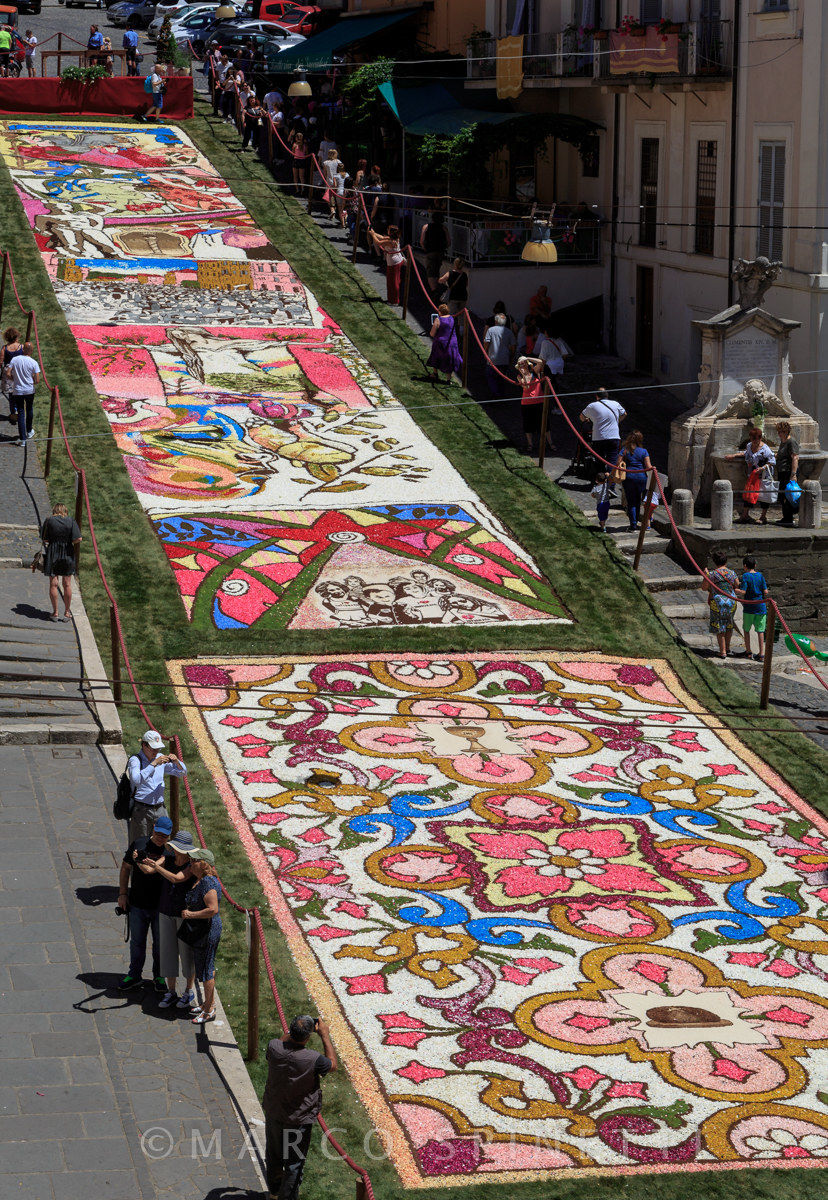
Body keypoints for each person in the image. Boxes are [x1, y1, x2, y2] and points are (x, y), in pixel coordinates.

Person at [262, 1014, 337, 1200]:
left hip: (274, 1112)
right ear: (308, 1037)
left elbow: (282, 1040)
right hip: (298, 1120)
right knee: (294, 1165)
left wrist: (294, 1030)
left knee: (273, 1156)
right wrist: (324, 1035)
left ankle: (274, 1193)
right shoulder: (314, 1059)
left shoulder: (274, 1046)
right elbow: (332, 1065)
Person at [137, 828, 197, 1010]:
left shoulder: (191, 865)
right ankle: (171, 991)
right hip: (165, 911)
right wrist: (139, 860)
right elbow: (151, 869)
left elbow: (177, 878)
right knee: (167, 952)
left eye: (179, 849)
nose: (176, 851)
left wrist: (157, 867)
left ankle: (188, 991)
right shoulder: (167, 859)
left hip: (183, 914)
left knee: (186, 954)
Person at [116, 813, 172, 992]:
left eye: (164, 836)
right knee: (137, 943)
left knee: (160, 945)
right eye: (158, 833)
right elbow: (125, 868)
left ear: (169, 835)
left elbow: (150, 870)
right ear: (153, 828)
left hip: (161, 907)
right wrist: (122, 893)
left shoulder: (170, 852)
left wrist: (140, 860)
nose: (160, 838)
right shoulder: (139, 844)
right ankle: (134, 974)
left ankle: (159, 976)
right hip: (137, 904)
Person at [182, 849, 222, 1024]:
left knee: (207, 970)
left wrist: (190, 914)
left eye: (194, 861)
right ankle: (207, 1003)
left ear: (203, 864)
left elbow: (213, 909)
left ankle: (209, 1010)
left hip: (208, 931)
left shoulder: (207, 882)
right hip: (203, 930)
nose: (191, 864)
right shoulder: (202, 879)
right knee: (206, 968)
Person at [127, 730, 187, 843]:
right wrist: (153, 764)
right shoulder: (135, 760)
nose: (156, 752)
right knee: (140, 843)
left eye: (158, 749)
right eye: (153, 749)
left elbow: (182, 772)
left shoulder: (160, 757)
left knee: (162, 843)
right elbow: (136, 780)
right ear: (144, 745)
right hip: (142, 810)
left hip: (160, 809)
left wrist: (176, 762)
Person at [38, 502, 81, 622]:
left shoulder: (49, 521)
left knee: (53, 584)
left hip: (53, 553)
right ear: (65, 511)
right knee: (67, 584)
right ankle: (67, 612)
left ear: (54, 511)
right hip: (67, 552)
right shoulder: (71, 521)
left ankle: (55, 612)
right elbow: (78, 538)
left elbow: (45, 538)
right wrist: (69, 542)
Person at [728, 426, 776, 525]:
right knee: (748, 493)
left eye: (756, 440)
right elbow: (746, 453)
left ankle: (763, 517)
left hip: (763, 475)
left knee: (764, 496)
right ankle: (745, 515)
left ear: (760, 438)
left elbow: (772, 461)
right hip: (753, 475)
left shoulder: (765, 449)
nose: (754, 442)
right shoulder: (749, 445)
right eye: (752, 439)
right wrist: (734, 455)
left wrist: (761, 468)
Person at [579, 387, 626, 481]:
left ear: (597, 396)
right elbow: (624, 414)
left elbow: (582, 417)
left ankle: (600, 482)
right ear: (607, 396)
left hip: (599, 437)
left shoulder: (592, 406)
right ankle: (610, 484)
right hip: (614, 437)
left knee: (599, 461)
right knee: (612, 461)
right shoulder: (615, 404)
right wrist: (616, 422)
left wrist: (589, 420)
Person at [703, 548, 740, 659]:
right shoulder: (732, 573)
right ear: (726, 561)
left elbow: (704, 587)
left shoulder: (712, 574)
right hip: (731, 601)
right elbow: (737, 585)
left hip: (718, 602)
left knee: (720, 626)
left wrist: (705, 575)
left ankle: (722, 651)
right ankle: (727, 648)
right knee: (729, 625)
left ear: (715, 562)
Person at [6, 339, 40, 447]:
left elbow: (8, 373)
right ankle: (29, 431)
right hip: (29, 390)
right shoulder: (34, 362)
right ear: (31, 351)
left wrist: (14, 379)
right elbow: (37, 380)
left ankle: (23, 439)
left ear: (23, 349)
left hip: (18, 390)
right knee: (29, 409)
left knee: (21, 413)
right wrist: (31, 380)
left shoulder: (15, 359)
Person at [618, 430, 653, 532]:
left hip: (629, 478)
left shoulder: (624, 450)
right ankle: (636, 522)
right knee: (638, 501)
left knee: (631, 502)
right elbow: (648, 467)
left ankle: (633, 525)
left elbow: (618, 463)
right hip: (641, 478)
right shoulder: (644, 451)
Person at [516, 355, 551, 456]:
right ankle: (530, 444)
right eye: (520, 364)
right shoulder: (519, 376)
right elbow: (526, 387)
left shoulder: (535, 372)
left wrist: (527, 358)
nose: (522, 365)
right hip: (526, 404)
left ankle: (550, 443)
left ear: (527, 364)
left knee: (544, 423)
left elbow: (540, 362)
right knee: (528, 424)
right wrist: (523, 374)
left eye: (523, 363)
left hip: (539, 402)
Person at [740, 554, 770, 661]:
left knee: (746, 629)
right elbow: (765, 591)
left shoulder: (745, 576)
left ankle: (748, 652)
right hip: (760, 607)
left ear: (745, 566)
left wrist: (735, 590)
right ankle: (761, 654)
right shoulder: (760, 576)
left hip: (749, 607)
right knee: (760, 631)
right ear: (755, 565)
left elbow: (743, 591)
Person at [369, 225, 405, 305]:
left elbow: (378, 242)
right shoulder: (393, 238)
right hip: (396, 261)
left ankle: (394, 301)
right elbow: (382, 237)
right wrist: (373, 232)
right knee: (393, 281)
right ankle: (392, 299)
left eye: (388, 230)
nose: (387, 230)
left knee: (393, 282)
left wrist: (373, 235)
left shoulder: (390, 241)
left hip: (393, 263)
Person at [426, 305, 462, 384]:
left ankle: (435, 373)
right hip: (452, 343)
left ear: (439, 311)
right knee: (449, 360)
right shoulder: (451, 318)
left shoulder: (438, 320)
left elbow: (432, 334)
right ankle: (448, 379)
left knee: (435, 356)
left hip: (441, 343)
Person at [483, 313, 516, 399]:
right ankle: (501, 395)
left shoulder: (491, 330)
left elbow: (486, 342)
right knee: (501, 378)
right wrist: (511, 357)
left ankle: (495, 394)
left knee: (491, 376)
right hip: (504, 359)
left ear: (496, 321)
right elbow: (513, 346)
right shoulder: (509, 332)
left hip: (492, 359)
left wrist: (485, 352)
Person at [775, 420, 800, 526]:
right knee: (782, 495)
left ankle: (789, 518)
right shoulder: (783, 441)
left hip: (788, 472)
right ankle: (786, 517)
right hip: (782, 472)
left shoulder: (791, 442)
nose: (779, 433)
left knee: (788, 495)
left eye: (782, 431)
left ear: (787, 431)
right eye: (779, 431)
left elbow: (795, 458)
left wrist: (793, 474)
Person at [420, 211, 449, 294]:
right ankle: (436, 288)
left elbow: (422, 241)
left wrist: (425, 248)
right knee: (436, 270)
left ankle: (434, 291)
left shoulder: (426, 227)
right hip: (440, 252)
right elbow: (449, 241)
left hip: (430, 251)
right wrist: (444, 248)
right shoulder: (444, 228)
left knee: (430, 272)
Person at [2, 326, 22, 422]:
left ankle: (13, 413)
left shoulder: (5, 348)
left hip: (8, 372)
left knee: (11, 394)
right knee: (19, 393)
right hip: (19, 371)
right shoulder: (21, 347)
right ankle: (20, 412)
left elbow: (0, 362)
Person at [289, 130, 310, 197]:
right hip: (302, 161)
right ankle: (303, 189)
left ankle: (297, 189)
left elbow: (293, 153)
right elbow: (306, 153)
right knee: (302, 177)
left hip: (296, 161)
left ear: (296, 138)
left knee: (295, 176)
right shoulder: (305, 145)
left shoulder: (295, 145)